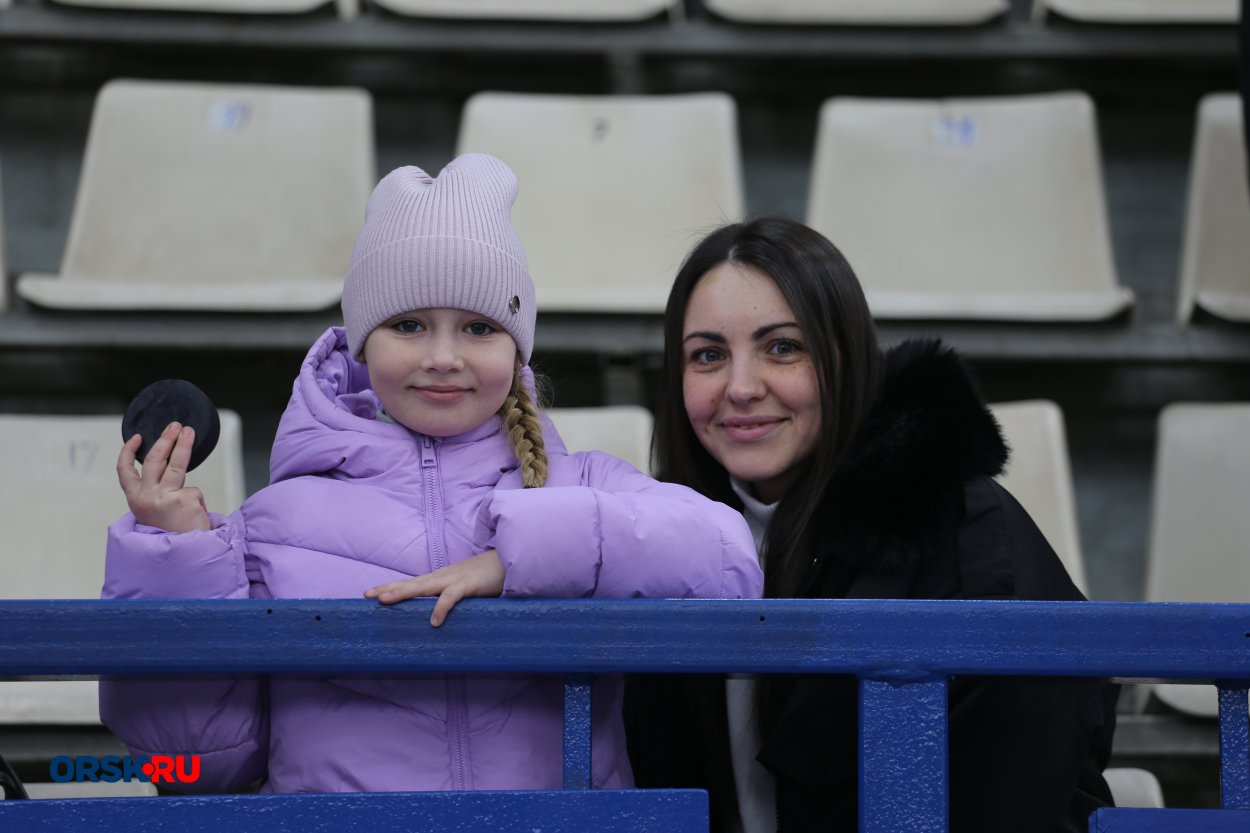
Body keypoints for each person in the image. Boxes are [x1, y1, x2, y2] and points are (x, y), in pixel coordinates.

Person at [101, 153, 762, 794]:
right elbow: (196, 764)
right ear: (363, 344)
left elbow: (730, 559)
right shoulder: (276, 521)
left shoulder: (580, 488)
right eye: (410, 324)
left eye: (479, 328)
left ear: (517, 348)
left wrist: (520, 557)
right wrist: (174, 559)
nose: (443, 356)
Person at [626, 217, 1119, 833]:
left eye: (783, 348)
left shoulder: (965, 534)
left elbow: (1015, 794)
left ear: (848, 358)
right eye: (708, 356)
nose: (741, 387)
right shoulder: (661, 546)